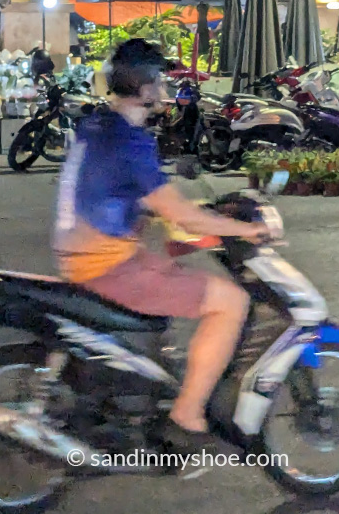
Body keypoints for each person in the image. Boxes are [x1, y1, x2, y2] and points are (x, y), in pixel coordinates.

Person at [52, 38, 268, 452]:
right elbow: (181, 215)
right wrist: (246, 231)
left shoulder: (95, 124)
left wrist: (180, 218)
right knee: (230, 302)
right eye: (161, 80)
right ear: (147, 88)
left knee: (173, 266)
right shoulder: (132, 142)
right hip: (106, 266)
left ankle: (153, 386)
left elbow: (113, 192)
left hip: (85, 253)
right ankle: (186, 413)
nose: (166, 87)